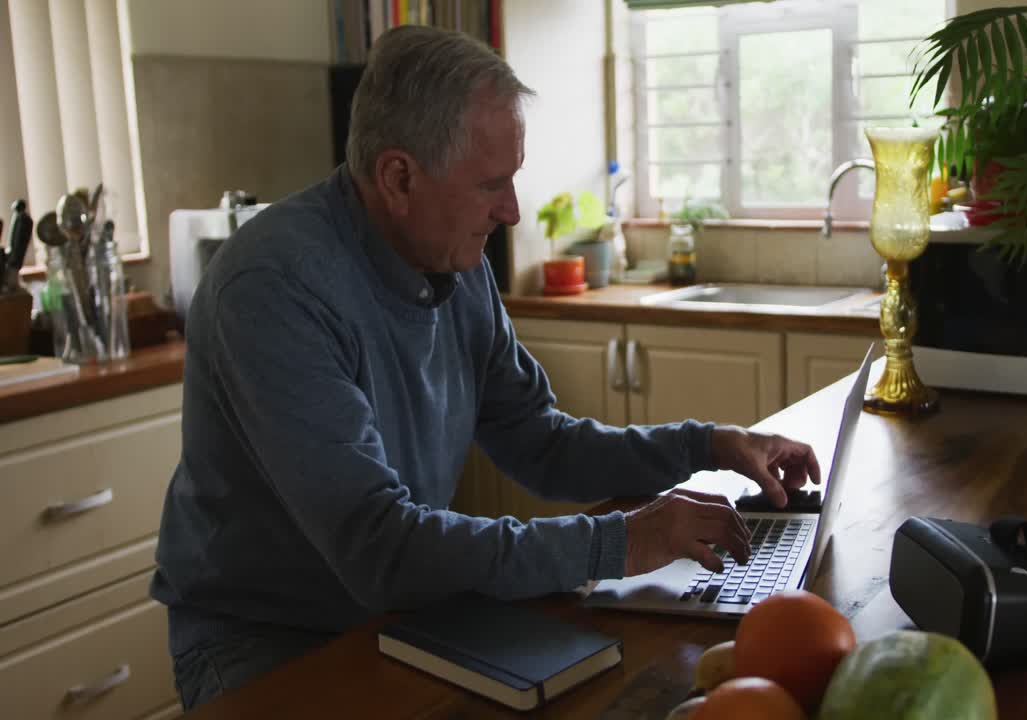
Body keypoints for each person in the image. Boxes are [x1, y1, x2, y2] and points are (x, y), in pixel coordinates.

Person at [152, 25, 821, 711]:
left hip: (401, 612)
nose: (513, 210)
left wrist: (706, 446)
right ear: (398, 177)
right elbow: (381, 548)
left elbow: (543, 444)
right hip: (266, 642)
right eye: (491, 184)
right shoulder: (272, 288)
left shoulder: (451, 260)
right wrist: (625, 541)